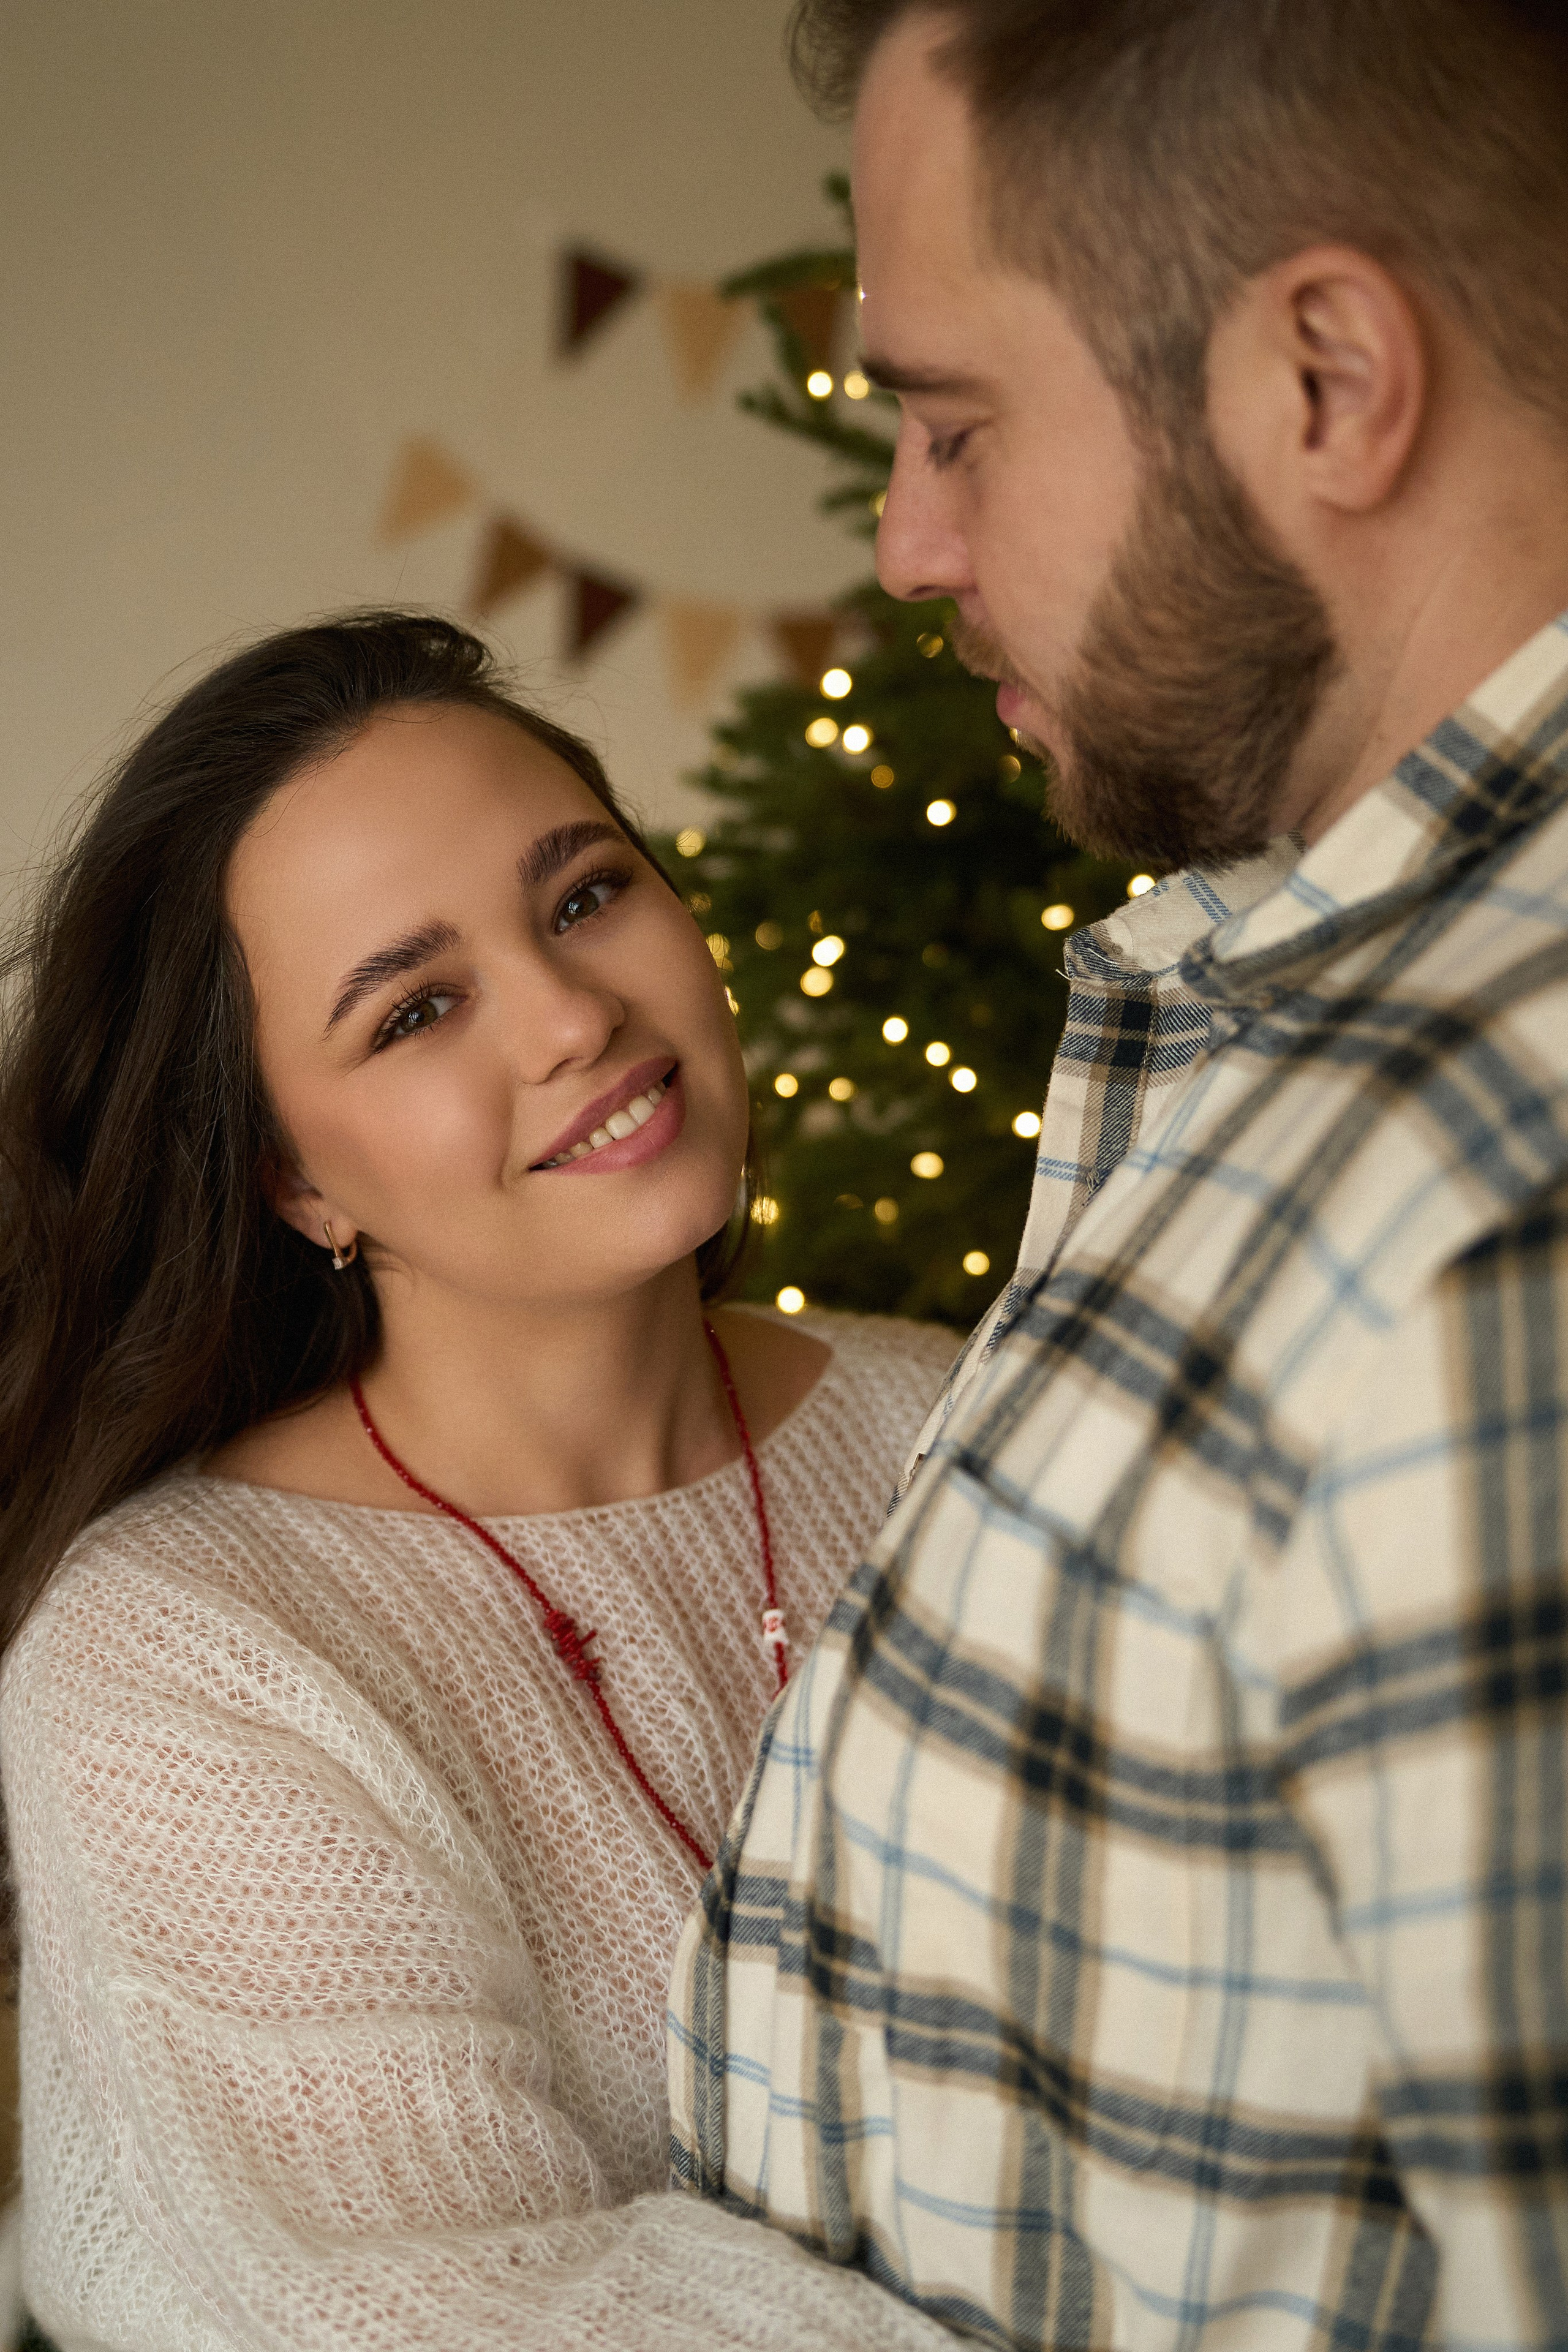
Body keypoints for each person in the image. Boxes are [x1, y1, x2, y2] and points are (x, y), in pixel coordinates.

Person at [667, 4, 1568, 2347]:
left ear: (1325, 383)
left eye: (958, 423)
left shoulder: (1496, 1194)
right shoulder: (1289, 1023)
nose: (907, 542)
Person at [0, 612, 962, 2352]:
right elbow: (452, 2309)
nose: (576, 1018)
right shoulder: (180, 1655)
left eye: (585, 896)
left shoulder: (961, 1417)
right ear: (296, 1183)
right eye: (418, 1009)